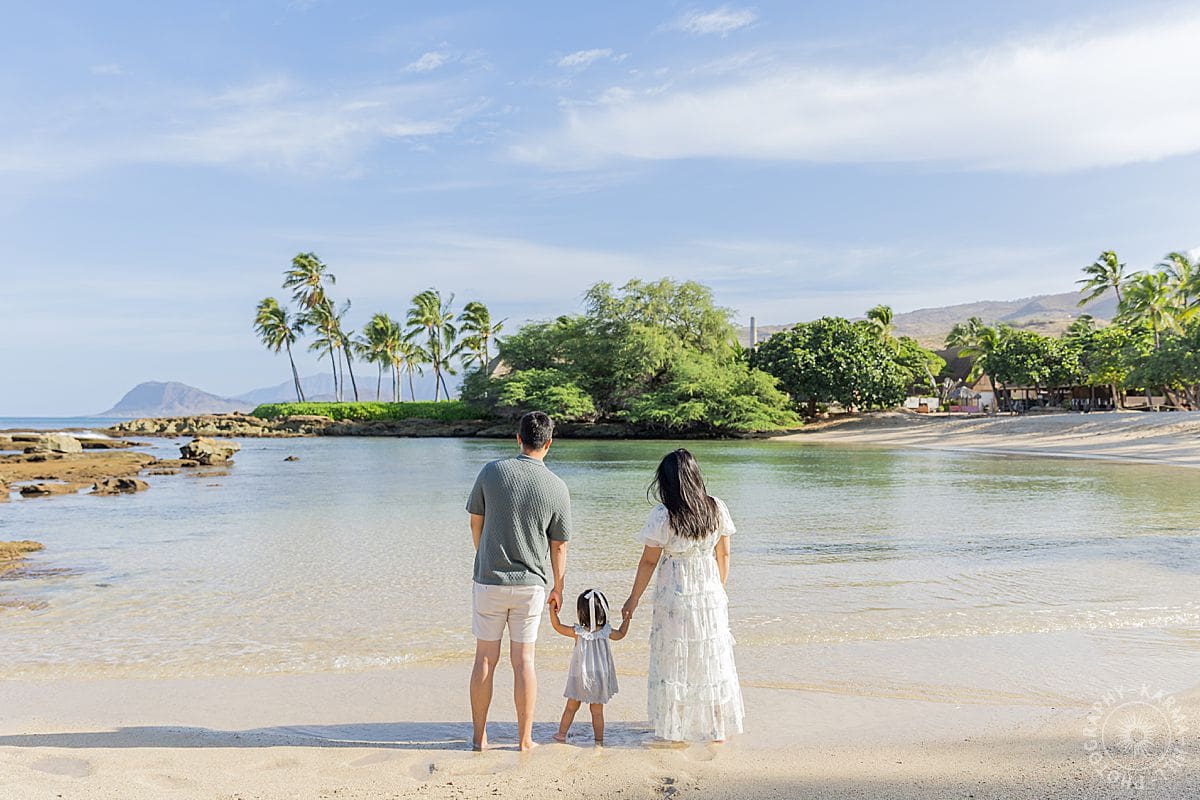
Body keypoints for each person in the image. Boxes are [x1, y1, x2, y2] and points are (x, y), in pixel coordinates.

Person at [621, 448, 744, 743]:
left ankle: (674, 727)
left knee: (674, 657)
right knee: (711, 657)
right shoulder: (716, 508)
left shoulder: (664, 514)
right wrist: (717, 591)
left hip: (674, 593)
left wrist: (633, 599)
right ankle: (717, 730)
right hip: (710, 593)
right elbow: (723, 553)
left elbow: (649, 561)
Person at [466, 411, 571, 752]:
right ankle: (525, 740)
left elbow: (475, 523)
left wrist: (485, 557)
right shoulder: (557, 486)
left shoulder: (492, 471)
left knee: (485, 658)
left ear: (518, 438)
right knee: (524, 660)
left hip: (489, 579)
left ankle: (479, 738)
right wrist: (558, 587)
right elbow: (559, 545)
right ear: (549, 444)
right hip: (531, 585)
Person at [548, 588, 630, 745]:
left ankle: (561, 734)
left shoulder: (578, 632)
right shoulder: (606, 631)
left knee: (571, 707)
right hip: (599, 677)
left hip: (580, 676)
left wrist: (552, 609)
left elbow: (557, 626)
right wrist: (627, 619)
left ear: (581, 613)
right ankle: (599, 740)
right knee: (597, 712)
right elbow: (621, 634)